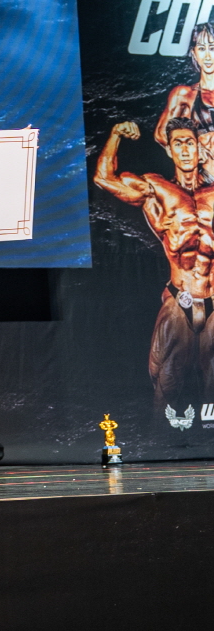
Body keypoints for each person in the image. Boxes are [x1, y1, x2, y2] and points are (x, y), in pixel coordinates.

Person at [95, 117, 214, 420]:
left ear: (200, 148)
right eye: (178, 144)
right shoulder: (157, 189)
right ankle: (162, 439)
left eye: (190, 143)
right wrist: (115, 135)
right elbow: (104, 179)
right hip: (180, 297)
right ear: (169, 150)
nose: (185, 150)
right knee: (167, 381)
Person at [155, 20, 214, 181]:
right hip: (201, 177)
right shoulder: (184, 94)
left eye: (212, 48)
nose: (207, 56)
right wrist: (195, 146)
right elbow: (161, 134)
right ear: (194, 53)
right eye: (201, 48)